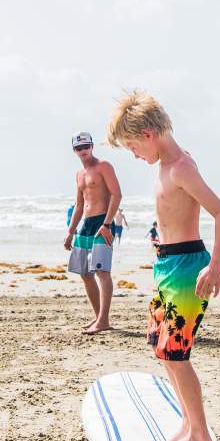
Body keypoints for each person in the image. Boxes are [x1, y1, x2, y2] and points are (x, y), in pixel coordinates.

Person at [107, 92, 220, 441]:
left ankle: (201, 435)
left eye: (132, 146)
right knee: (161, 348)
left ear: (147, 134)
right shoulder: (165, 165)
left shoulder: (180, 167)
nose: (133, 154)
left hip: (187, 268)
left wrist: (217, 265)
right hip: (168, 265)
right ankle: (189, 426)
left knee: (177, 354)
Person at [64, 132, 122, 334]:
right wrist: (71, 232)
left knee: (101, 272)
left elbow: (117, 194)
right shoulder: (79, 174)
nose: (83, 151)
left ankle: (104, 321)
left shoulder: (103, 166)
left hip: (102, 222)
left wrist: (107, 224)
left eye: (86, 147)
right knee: (85, 274)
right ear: (75, 151)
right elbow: (79, 205)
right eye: (79, 148)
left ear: (92, 147)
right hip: (85, 225)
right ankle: (98, 317)